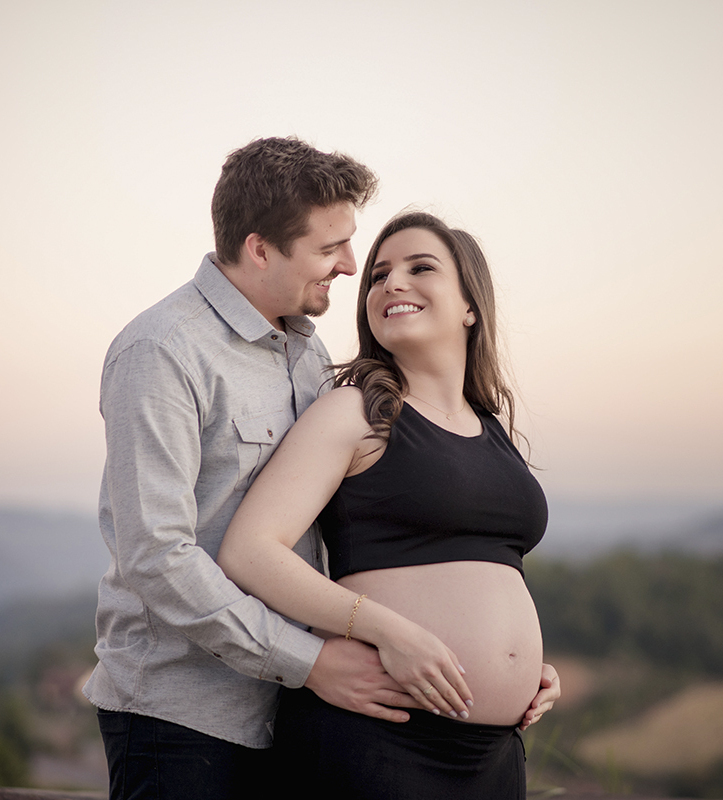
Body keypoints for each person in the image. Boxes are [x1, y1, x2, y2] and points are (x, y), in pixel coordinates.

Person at [83, 139, 559, 800]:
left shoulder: (305, 358)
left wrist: (516, 663)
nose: (352, 266)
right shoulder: (163, 349)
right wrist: (314, 661)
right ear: (260, 248)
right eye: (331, 247)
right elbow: (159, 556)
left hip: (294, 701)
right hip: (186, 711)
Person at [218, 210, 552, 799]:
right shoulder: (358, 413)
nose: (391, 283)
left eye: (420, 267)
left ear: (471, 304)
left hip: (493, 756)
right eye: (378, 275)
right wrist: (392, 632)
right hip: (382, 737)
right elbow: (249, 552)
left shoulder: (494, 430)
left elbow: (488, 574)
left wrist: (526, 668)